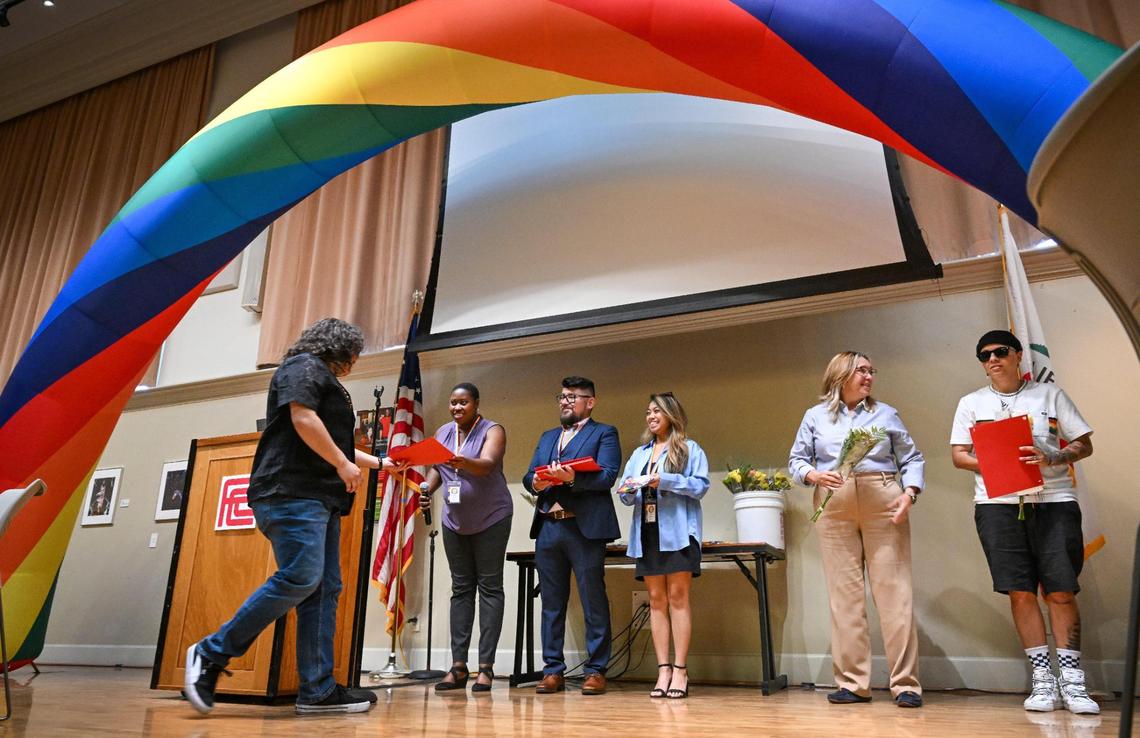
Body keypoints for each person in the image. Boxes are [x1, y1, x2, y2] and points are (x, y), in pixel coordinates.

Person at [184, 318, 402, 716]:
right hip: (291, 492)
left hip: (319, 499)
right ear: (336, 348)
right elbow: (303, 418)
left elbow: (336, 444)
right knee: (301, 576)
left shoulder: (320, 376)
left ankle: (317, 690)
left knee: (323, 589)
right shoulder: (302, 367)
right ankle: (210, 652)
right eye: (351, 355)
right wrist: (341, 463)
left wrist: (383, 464)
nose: (353, 364)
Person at [950, 329, 1098, 715]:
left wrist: (1053, 457)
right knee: (1020, 590)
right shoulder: (970, 403)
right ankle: (1043, 679)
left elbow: (1084, 442)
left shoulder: (1049, 395)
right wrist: (999, 462)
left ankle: (1073, 680)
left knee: (1061, 590)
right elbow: (959, 456)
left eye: (1000, 352)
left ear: (1017, 356)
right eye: (985, 356)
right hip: (997, 505)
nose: (993, 359)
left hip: (1053, 501)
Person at [788, 351, 925, 708]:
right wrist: (814, 474)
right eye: (861, 371)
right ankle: (853, 683)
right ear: (840, 376)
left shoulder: (886, 414)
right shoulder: (814, 416)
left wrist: (910, 492)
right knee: (844, 597)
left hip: (883, 498)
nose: (869, 377)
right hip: (834, 502)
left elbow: (911, 458)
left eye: (870, 371)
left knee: (895, 594)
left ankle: (906, 685)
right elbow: (796, 461)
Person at [522, 376, 621, 695]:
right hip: (549, 527)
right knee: (551, 602)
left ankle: (596, 670)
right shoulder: (548, 436)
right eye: (561, 396)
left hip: (584, 527)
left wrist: (572, 478)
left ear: (589, 402)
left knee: (593, 599)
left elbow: (606, 477)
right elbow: (529, 475)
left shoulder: (604, 432)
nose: (565, 401)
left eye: (572, 397)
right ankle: (552, 670)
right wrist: (536, 483)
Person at [419, 383, 513, 693]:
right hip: (454, 520)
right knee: (460, 589)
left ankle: (485, 668)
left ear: (476, 403)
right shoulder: (444, 432)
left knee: (489, 587)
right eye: (453, 403)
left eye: (464, 402)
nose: (458, 408)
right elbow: (436, 468)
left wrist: (462, 462)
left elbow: (486, 465)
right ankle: (459, 666)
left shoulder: (492, 429)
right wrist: (426, 488)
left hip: (492, 518)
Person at [617, 392, 708, 699]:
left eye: (657, 411)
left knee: (678, 597)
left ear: (672, 414)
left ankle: (681, 671)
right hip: (647, 533)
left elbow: (700, 486)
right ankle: (663, 670)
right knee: (656, 600)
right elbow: (628, 492)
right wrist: (626, 489)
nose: (651, 416)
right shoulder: (640, 453)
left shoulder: (689, 448)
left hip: (680, 532)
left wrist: (664, 481)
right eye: (648, 412)